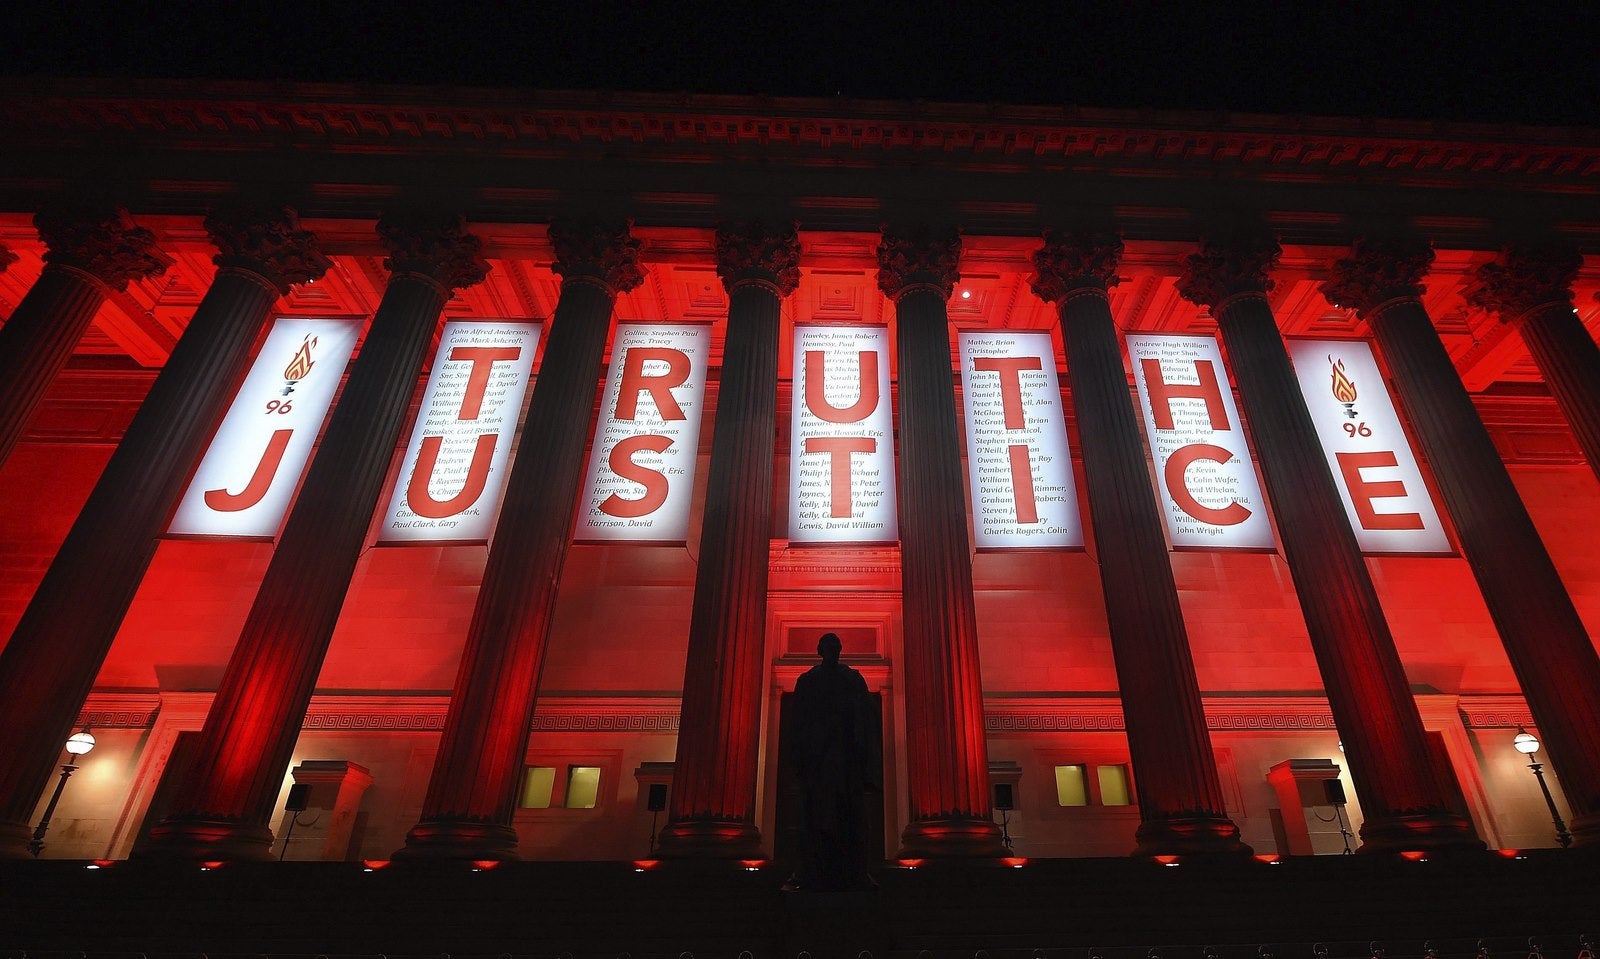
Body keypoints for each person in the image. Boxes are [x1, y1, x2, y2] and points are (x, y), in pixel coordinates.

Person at [787, 632, 881, 891]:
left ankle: (858, 870)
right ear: (820, 651)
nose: (832, 651)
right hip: (818, 759)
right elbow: (797, 723)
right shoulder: (808, 681)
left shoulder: (852, 679)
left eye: (835, 646)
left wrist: (867, 762)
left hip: (845, 758)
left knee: (852, 814)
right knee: (813, 814)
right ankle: (806, 868)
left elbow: (867, 721)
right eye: (828, 647)